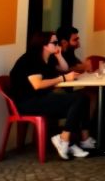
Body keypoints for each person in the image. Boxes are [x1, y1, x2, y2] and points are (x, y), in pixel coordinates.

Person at [9, 31, 95, 159]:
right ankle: (64, 140)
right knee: (78, 99)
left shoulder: (46, 59)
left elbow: (65, 68)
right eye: (54, 43)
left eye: (57, 42)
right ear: (44, 45)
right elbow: (37, 84)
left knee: (83, 98)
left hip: (40, 98)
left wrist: (59, 55)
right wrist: (63, 79)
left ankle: (80, 139)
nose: (58, 45)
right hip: (27, 103)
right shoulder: (31, 59)